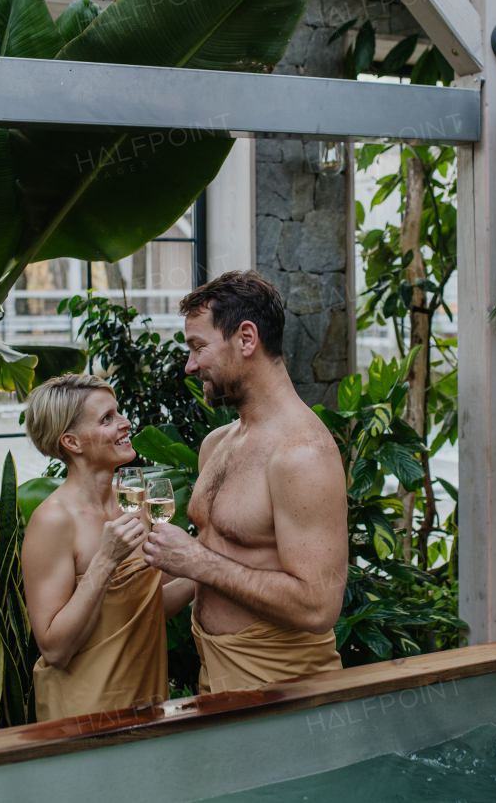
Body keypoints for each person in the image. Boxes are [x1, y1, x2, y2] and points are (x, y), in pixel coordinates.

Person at [142, 270, 348, 693]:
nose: (190, 364)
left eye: (199, 346)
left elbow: (317, 606)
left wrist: (197, 562)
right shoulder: (217, 443)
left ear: (247, 338)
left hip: (285, 693)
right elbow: (217, 557)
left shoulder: (303, 454)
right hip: (214, 682)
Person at [22, 374, 194, 722]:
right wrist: (105, 559)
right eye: (107, 419)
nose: (125, 423)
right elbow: (55, 649)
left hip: (147, 702)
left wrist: (206, 565)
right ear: (71, 441)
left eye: (118, 413)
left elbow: (147, 606)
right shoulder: (53, 521)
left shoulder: (135, 505)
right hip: (83, 713)